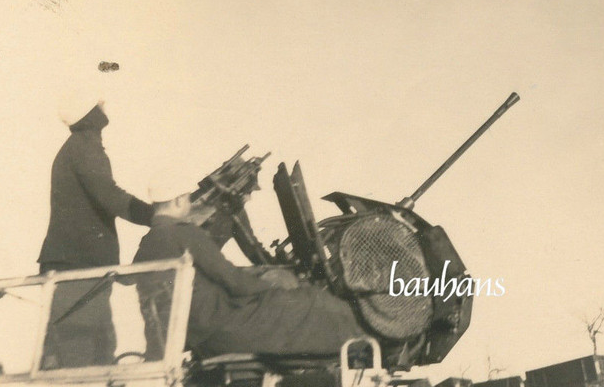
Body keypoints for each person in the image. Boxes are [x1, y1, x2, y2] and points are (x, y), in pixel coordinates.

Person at [133, 193, 366, 359]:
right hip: (223, 329)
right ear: (178, 201)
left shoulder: (147, 243)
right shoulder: (186, 234)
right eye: (187, 200)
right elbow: (233, 281)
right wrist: (273, 289)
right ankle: (364, 343)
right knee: (311, 301)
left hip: (197, 333)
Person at [38, 94, 156, 368]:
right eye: (97, 102)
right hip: (79, 265)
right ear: (89, 113)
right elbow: (110, 196)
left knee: (93, 347)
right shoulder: (84, 147)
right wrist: (159, 215)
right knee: (80, 353)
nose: (104, 103)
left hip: (77, 263)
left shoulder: (79, 147)